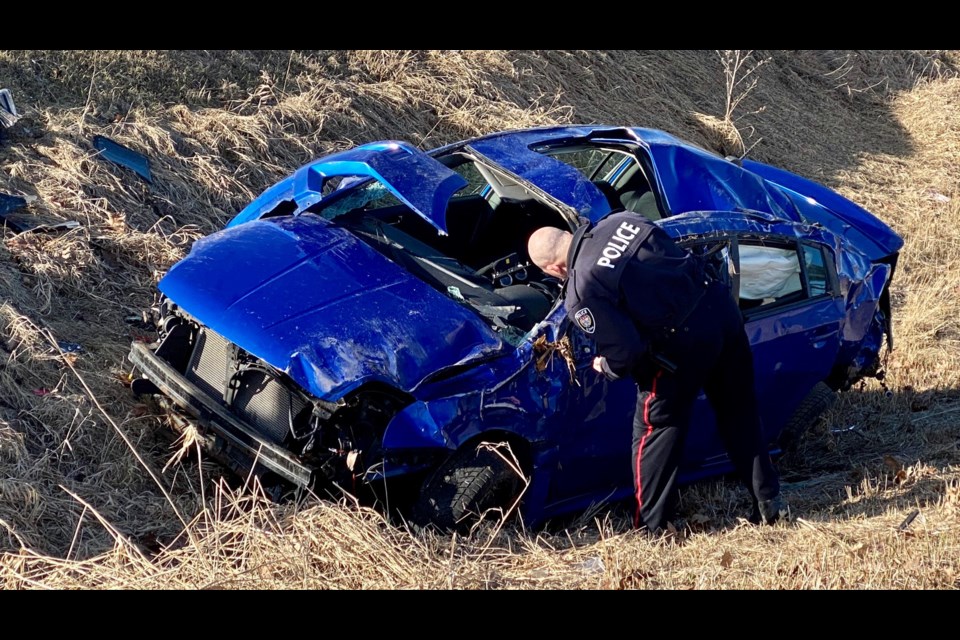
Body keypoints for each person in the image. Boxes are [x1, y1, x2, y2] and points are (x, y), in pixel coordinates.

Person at [527, 211, 788, 535]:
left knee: (655, 430)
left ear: (553, 269)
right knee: (739, 412)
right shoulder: (622, 220)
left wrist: (606, 366)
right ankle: (769, 503)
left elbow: (627, 352)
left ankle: (651, 528)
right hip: (720, 310)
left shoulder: (582, 290)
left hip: (682, 343)